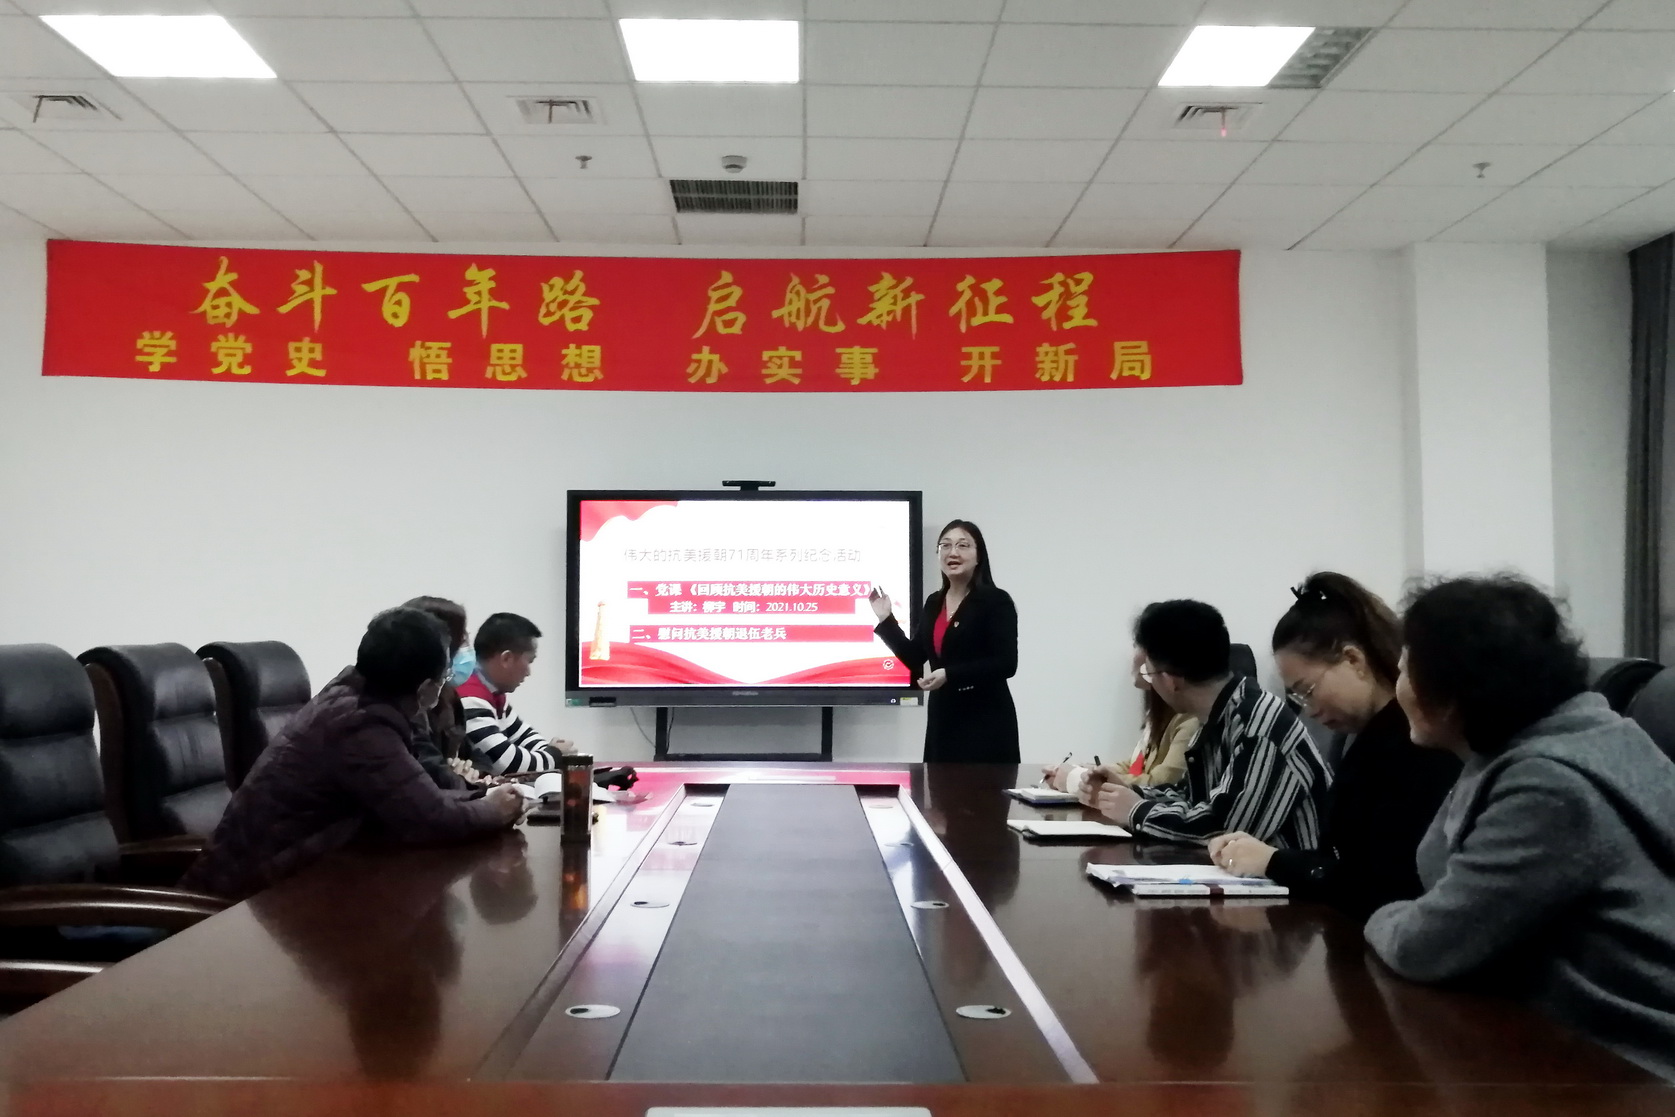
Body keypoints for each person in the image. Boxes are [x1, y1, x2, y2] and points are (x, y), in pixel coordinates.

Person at [1363, 575, 1675, 1082]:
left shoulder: (1548, 786)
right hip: (1562, 1038)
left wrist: (1380, 915)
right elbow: (1440, 878)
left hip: (1629, 1066)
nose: (1398, 685)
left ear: (1451, 692)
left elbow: (1427, 946)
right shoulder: (1546, 741)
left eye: (1404, 669)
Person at [179, 608, 525, 901]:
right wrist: (492, 809)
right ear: (425, 687)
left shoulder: (357, 700)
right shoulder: (360, 724)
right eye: (444, 675)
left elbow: (416, 796)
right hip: (242, 904)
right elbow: (429, 818)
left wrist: (483, 796)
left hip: (297, 882)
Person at [1208, 573, 1461, 920]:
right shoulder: (1363, 739)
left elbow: (1388, 884)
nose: (1309, 710)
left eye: (1307, 691)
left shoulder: (1419, 744)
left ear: (1353, 660)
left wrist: (1274, 862)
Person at [1089, 599, 1330, 847]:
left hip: (1298, 871)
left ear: (1171, 681)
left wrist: (1137, 811)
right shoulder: (1216, 717)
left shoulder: (1258, 725)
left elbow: (1226, 829)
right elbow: (1190, 798)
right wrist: (1129, 792)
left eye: (1148, 674)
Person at [870, 519, 1019, 763]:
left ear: (979, 555)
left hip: (985, 720)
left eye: (963, 545)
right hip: (943, 719)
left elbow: (1006, 664)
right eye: (945, 545)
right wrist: (886, 619)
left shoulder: (995, 601)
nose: (953, 552)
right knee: (938, 786)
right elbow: (915, 656)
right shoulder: (934, 602)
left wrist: (950, 674)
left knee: (985, 788)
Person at [1044, 647, 1196, 794]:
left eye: (1137, 645)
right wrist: (1088, 771)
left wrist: (1076, 778)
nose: (1131, 655)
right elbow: (1134, 767)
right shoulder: (1160, 713)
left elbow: (1163, 786)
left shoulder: (1190, 720)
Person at [456, 612, 572, 776]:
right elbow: (508, 764)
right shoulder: (470, 697)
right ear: (506, 659)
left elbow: (523, 736)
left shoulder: (492, 692)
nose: (529, 672)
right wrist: (555, 754)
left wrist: (549, 752)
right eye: (529, 661)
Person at [402, 596, 475, 791]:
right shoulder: (407, 703)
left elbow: (476, 756)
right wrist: (457, 779)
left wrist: (471, 772)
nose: (467, 648)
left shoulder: (449, 696)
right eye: (462, 640)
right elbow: (429, 769)